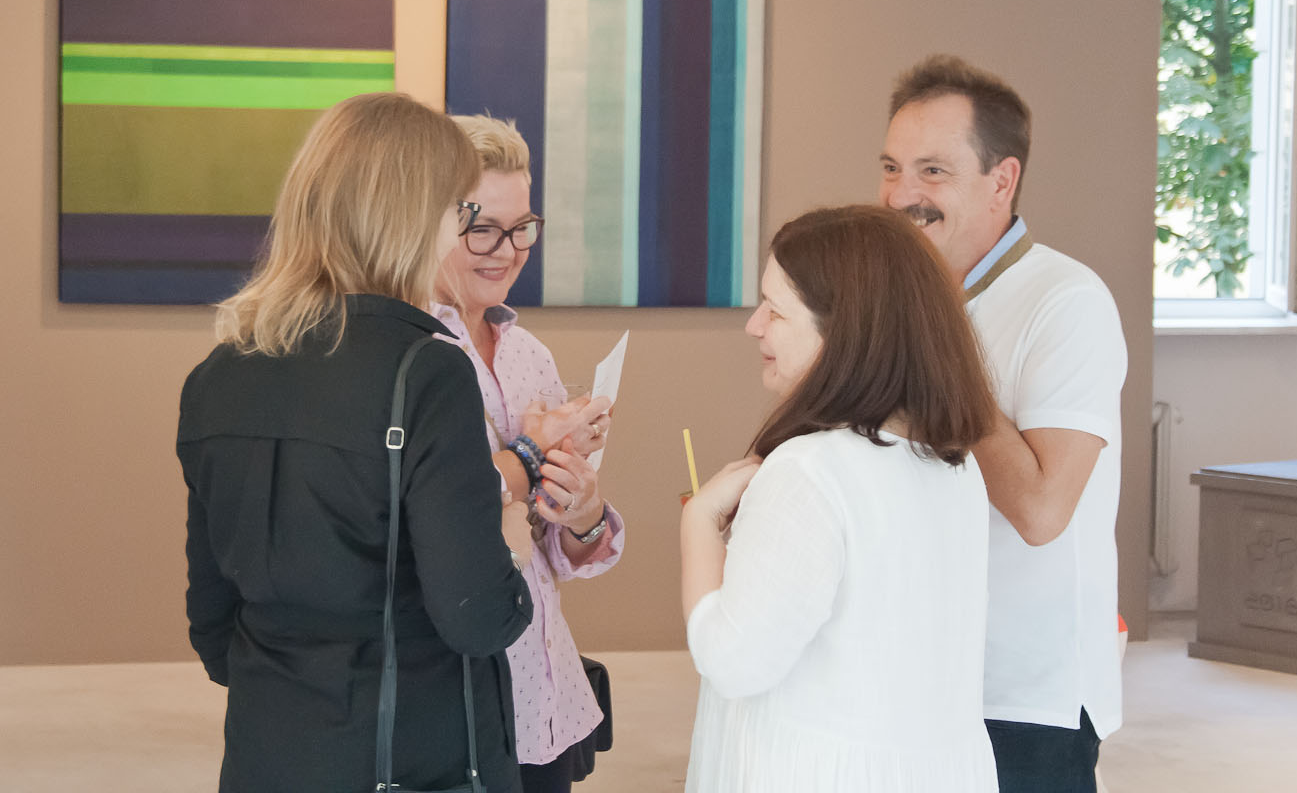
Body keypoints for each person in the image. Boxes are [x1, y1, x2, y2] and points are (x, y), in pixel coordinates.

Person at [177, 93, 588, 793]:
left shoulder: (217, 375)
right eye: (458, 211)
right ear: (411, 217)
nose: (461, 230)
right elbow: (480, 618)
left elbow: (213, 630)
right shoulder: (429, 371)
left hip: (265, 757)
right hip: (415, 762)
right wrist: (513, 543)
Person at [681, 205, 1000, 793]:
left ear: (844, 334)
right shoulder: (955, 466)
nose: (754, 325)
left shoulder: (809, 470)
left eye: (776, 310)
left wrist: (699, 523)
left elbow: (732, 661)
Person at [878, 54, 1128, 793]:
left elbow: (1043, 512)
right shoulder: (900, 300)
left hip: (1024, 697)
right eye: (891, 168)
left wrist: (941, 357)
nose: (901, 195)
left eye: (932, 171)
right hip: (910, 675)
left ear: (1002, 180)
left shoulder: (1068, 302)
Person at [432, 114, 623, 793]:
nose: (507, 251)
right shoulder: (409, 356)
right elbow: (436, 515)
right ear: (431, 220)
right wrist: (531, 450)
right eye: (482, 228)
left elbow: (552, 553)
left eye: (522, 228)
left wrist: (583, 511)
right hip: (458, 708)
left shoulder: (528, 354)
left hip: (550, 698)